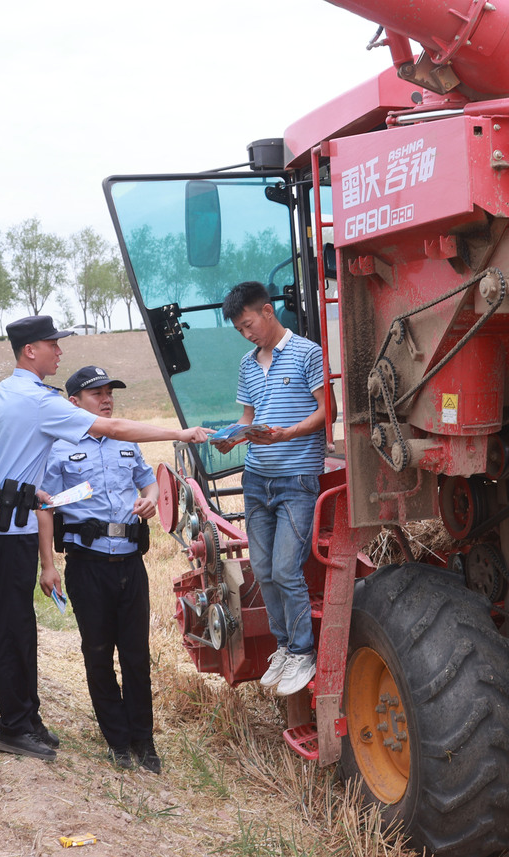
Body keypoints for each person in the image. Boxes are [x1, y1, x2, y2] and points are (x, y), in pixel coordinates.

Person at [0, 315, 209, 761]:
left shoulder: (3, 392)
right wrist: (180, 433)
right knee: (10, 629)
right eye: (52, 345)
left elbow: (5, 458)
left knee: (20, 627)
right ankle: (14, 725)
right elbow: (113, 430)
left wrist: (33, 491)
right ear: (29, 352)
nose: (59, 352)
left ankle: (27, 717)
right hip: (8, 528)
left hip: (5, 520)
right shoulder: (38, 400)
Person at [38, 367, 162, 772]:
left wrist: (151, 499)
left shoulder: (126, 443)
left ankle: (144, 741)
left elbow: (149, 483)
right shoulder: (58, 448)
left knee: (136, 655)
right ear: (74, 403)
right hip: (87, 567)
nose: (106, 400)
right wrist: (48, 566)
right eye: (96, 394)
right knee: (97, 654)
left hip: (130, 562)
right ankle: (118, 740)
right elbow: (44, 508)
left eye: (109, 393)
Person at [215, 281, 326, 697]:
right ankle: (282, 647)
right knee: (262, 571)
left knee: (285, 569)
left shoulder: (307, 353)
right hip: (256, 479)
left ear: (267, 311)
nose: (247, 334)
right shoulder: (247, 364)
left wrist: (288, 434)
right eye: (240, 330)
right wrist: (233, 438)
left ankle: (302, 651)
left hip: (296, 478)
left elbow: (325, 410)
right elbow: (248, 417)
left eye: (248, 325)